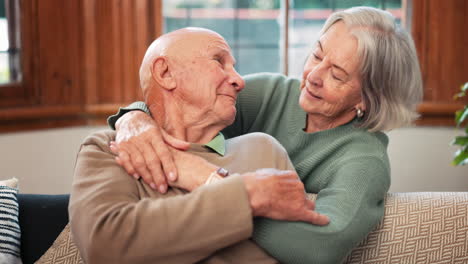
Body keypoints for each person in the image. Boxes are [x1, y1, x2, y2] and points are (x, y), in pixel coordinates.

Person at [108, 6, 423, 264]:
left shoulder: (364, 160)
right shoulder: (270, 94)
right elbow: (179, 106)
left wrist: (219, 189)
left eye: (337, 74)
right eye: (316, 55)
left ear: (367, 99)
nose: (313, 76)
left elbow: (320, 248)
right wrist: (133, 117)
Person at [69, 27, 329, 264]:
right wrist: (246, 196)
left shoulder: (261, 149)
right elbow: (104, 245)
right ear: (165, 73)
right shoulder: (111, 148)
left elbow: (300, 252)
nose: (240, 80)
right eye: (219, 61)